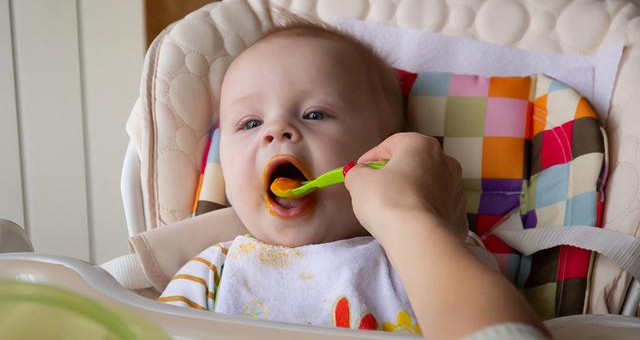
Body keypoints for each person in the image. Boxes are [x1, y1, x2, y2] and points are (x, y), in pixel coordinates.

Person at [159, 20, 549, 339]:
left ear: (382, 155)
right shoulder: (213, 272)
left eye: (315, 115)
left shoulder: (432, 247)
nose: (277, 131)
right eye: (250, 123)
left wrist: (419, 221)